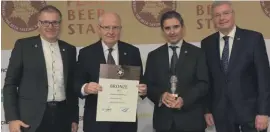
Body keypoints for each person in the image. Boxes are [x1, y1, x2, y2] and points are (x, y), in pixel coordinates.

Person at [3, 5, 79, 132]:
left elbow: (71, 87)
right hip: (31, 120)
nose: (50, 26)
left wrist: (74, 118)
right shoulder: (23, 46)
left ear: (60, 24)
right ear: (38, 24)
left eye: (55, 22)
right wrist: (12, 118)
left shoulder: (69, 49)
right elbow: (10, 84)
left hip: (63, 117)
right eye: (46, 22)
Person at [201, 1, 270, 132]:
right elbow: (208, 80)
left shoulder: (253, 39)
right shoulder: (207, 43)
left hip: (252, 114)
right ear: (213, 19)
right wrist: (207, 110)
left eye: (226, 13)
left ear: (233, 14)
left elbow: (264, 78)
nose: (222, 18)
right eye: (217, 15)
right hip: (222, 113)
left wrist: (264, 112)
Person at [74, 12, 147, 132]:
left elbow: (141, 82)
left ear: (120, 29)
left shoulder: (132, 52)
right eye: (106, 27)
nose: (111, 32)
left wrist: (143, 90)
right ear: (99, 29)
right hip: (96, 122)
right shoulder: (86, 53)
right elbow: (76, 83)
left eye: (115, 27)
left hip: (125, 121)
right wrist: (86, 88)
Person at [144, 10, 209, 132]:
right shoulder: (154, 56)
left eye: (176, 27)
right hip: (164, 122)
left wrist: (184, 100)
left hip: (192, 121)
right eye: (167, 28)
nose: (172, 32)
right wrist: (161, 96)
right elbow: (148, 85)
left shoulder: (198, 54)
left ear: (183, 28)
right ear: (163, 31)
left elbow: (203, 84)